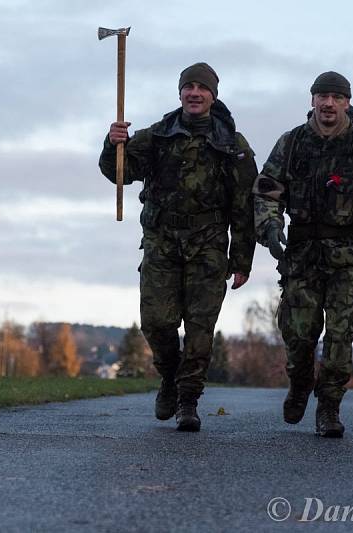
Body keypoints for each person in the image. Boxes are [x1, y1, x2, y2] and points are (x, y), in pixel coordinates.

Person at [99, 63, 257, 431]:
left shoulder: (232, 143)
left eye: (202, 87)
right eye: (189, 87)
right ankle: (169, 378)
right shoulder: (157, 135)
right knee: (157, 323)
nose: (195, 93)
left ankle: (188, 401)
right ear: (180, 93)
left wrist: (242, 259)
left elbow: (244, 205)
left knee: (200, 330)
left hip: (209, 247)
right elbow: (119, 173)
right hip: (162, 243)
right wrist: (113, 144)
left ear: (213, 95)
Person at [252, 71, 353, 438]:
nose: (328, 104)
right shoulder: (291, 143)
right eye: (322, 96)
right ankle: (301, 382)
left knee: (341, 335)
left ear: (346, 103)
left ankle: (329, 408)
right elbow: (266, 192)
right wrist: (271, 228)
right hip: (303, 255)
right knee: (298, 335)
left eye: (336, 98)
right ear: (312, 101)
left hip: (348, 258)